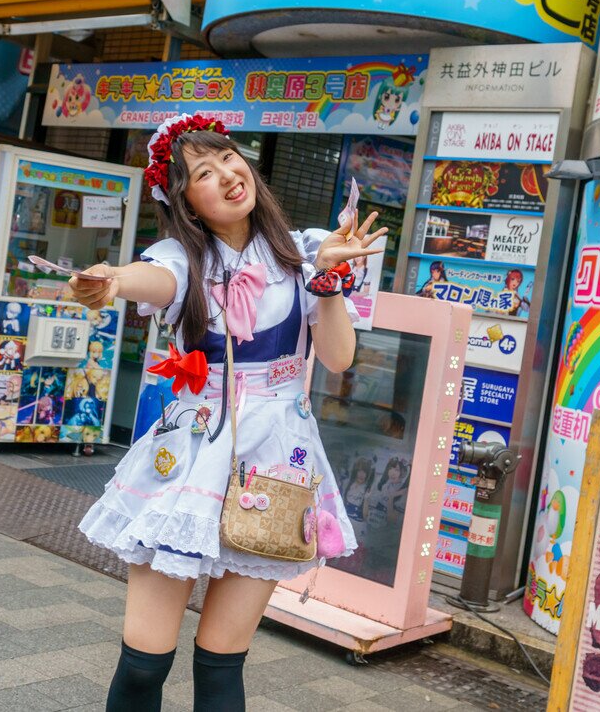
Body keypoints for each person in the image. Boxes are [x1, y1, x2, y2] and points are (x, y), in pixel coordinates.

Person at [68, 113, 385, 712]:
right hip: (192, 456)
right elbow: (154, 279)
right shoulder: (181, 258)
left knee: (222, 662)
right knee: (145, 660)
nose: (227, 176)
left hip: (276, 462)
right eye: (203, 174)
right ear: (185, 202)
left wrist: (330, 280)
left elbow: (340, 360)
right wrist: (112, 280)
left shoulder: (306, 252)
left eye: (229, 159)